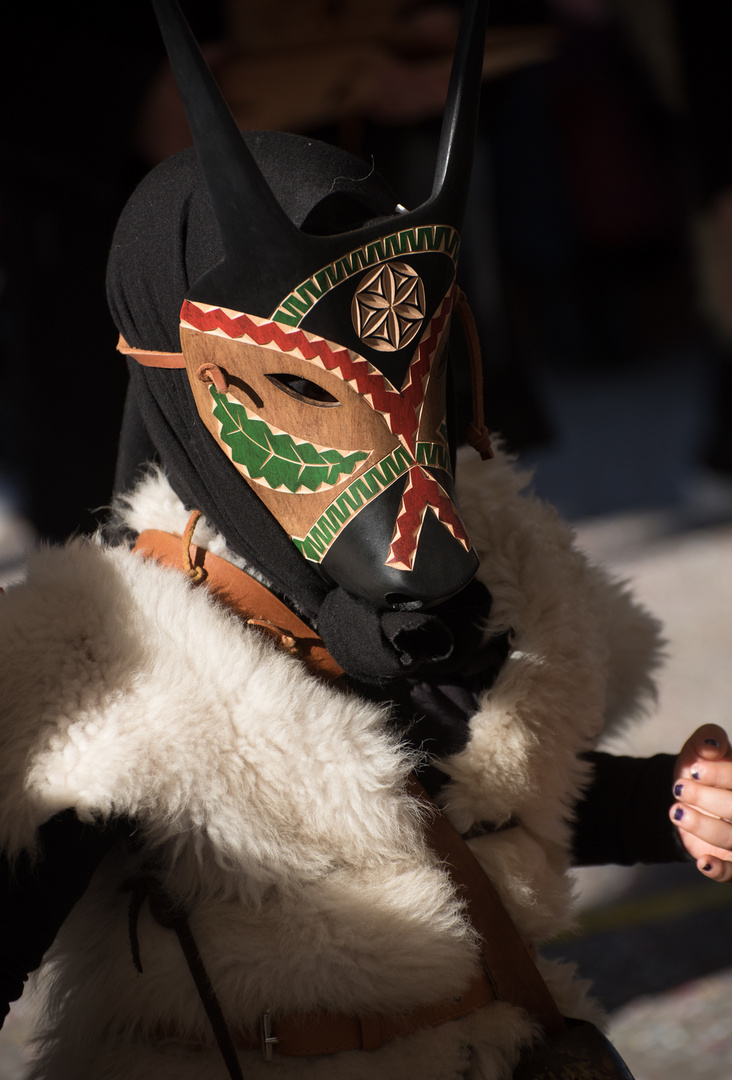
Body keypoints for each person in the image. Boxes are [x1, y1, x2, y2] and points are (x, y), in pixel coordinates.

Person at [1, 2, 731, 1078]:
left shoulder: (488, 566)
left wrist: (673, 801)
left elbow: (486, 814)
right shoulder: (103, 665)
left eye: (409, 374)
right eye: (304, 385)